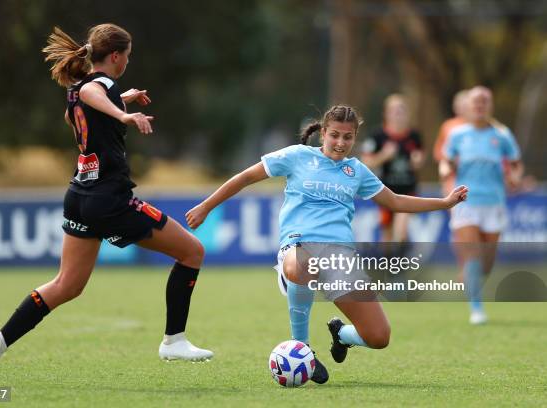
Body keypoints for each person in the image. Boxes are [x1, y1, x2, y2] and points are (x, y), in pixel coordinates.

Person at [0, 24, 212, 386]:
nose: (128, 60)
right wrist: (122, 114)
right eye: (127, 55)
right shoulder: (92, 86)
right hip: (111, 200)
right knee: (192, 252)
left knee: (67, 284)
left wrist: (121, 101)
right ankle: (174, 341)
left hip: (80, 198)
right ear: (115, 56)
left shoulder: (80, 92)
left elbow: (80, 111)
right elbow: (92, 92)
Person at [186, 105, 468, 383]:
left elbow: (395, 201)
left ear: (355, 138)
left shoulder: (356, 171)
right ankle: (302, 347)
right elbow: (246, 177)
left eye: (348, 137)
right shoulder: (297, 156)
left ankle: (341, 335)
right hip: (297, 247)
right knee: (304, 262)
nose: (340, 142)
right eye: (335, 135)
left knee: (379, 337)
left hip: (340, 258)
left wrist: (444, 203)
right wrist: (206, 206)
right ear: (322, 133)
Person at [441, 86, 523, 325]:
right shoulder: (457, 135)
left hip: (494, 202)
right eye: (476, 102)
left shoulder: (502, 135)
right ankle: (476, 309)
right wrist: (446, 171)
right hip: (467, 201)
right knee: (474, 253)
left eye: (484, 102)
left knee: (486, 262)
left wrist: (516, 176)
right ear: (468, 106)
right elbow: (445, 161)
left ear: (490, 106)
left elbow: (516, 164)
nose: (480, 106)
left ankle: (470, 274)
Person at [361, 94, 425, 244]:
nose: (398, 114)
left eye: (401, 110)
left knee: (401, 230)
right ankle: (390, 264)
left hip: (407, 190)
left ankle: (400, 259)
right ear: (386, 113)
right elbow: (366, 162)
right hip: (385, 190)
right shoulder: (377, 136)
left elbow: (420, 159)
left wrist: (418, 161)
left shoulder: (414, 136)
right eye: (394, 111)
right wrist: (384, 155)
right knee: (387, 235)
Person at [433, 90, 470, 197]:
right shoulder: (448, 126)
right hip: (452, 177)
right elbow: (438, 152)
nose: (462, 108)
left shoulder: (478, 127)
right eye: (459, 105)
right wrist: (449, 162)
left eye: (465, 105)